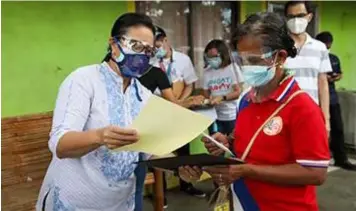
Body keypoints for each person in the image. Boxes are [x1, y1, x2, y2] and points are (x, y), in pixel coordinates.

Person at [179, 12, 330, 211]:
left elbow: (315, 173)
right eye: (241, 60)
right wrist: (226, 143)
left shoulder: (304, 109)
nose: (247, 67)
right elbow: (247, 143)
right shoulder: (247, 100)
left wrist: (246, 171)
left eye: (254, 60)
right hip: (245, 201)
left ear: (280, 57)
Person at [36, 13, 157, 211]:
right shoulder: (83, 80)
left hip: (120, 203)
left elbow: (150, 150)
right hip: (73, 203)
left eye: (148, 50)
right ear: (114, 44)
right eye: (136, 46)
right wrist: (99, 137)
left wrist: (183, 166)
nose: (142, 55)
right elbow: (60, 144)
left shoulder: (144, 95)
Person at [150, 26, 206, 199]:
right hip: (158, 111)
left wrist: (181, 101)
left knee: (183, 150)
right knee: (158, 151)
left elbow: (190, 84)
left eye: (158, 44)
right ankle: (160, 192)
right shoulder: (150, 61)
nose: (156, 49)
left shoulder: (182, 59)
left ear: (166, 40)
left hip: (179, 110)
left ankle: (186, 184)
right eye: (153, 47)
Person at [284, 1, 332, 135]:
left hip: (311, 116)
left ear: (309, 17)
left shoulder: (320, 48)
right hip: (282, 116)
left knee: (308, 155)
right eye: (291, 16)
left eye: (300, 15)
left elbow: (323, 84)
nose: (295, 20)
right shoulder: (278, 47)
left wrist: (326, 119)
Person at [316, 31, 356, 171]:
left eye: (329, 45)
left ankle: (341, 159)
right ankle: (318, 159)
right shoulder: (313, 57)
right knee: (317, 131)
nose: (327, 47)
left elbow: (340, 73)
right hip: (315, 100)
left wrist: (335, 78)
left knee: (337, 129)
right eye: (325, 45)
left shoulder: (333, 58)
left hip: (332, 98)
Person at [202, 39, 244, 135]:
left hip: (232, 115)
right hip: (214, 116)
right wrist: (209, 100)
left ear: (223, 54)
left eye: (214, 57)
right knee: (215, 143)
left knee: (234, 144)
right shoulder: (207, 72)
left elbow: (238, 92)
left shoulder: (232, 68)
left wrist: (222, 97)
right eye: (208, 57)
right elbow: (206, 94)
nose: (211, 59)